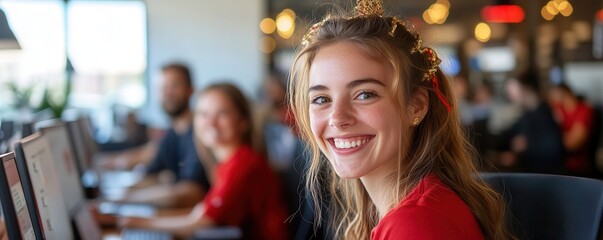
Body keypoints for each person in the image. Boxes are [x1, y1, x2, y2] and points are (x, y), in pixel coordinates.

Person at [288, 1, 511, 239]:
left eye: (365, 94)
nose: (338, 118)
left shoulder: (415, 225)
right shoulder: (411, 209)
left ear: (416, 106)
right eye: (321, 99)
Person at [120, 83, 290, 239]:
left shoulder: (244, 164)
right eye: (203, 114)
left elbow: (201, 222)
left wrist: (133, 222)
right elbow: (198, 213)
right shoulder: (227, 163)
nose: (210, 123)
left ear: (243, 121)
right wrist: (132, 218)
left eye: (222, 113)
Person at [100, 63, 210, 208]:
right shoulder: (172, 133)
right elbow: (151, 175)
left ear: (191, 90)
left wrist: (128, 199)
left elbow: (192, 192)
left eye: (174, 86)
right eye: (162, 88)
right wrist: (117, 194)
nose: (167, 93)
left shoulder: (201, 133)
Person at [501, 72, 565, 174]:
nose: (510, 95)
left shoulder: (543, 113)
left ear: (526, 89)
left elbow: (553, 149)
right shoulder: (526, 114)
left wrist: (527, 146)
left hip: (545, 177)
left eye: (513, 91)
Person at [549, 83, 594, 176]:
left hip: (575, 166)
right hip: (555, 163)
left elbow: (572, 144)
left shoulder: (584, 111)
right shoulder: (558, 110)